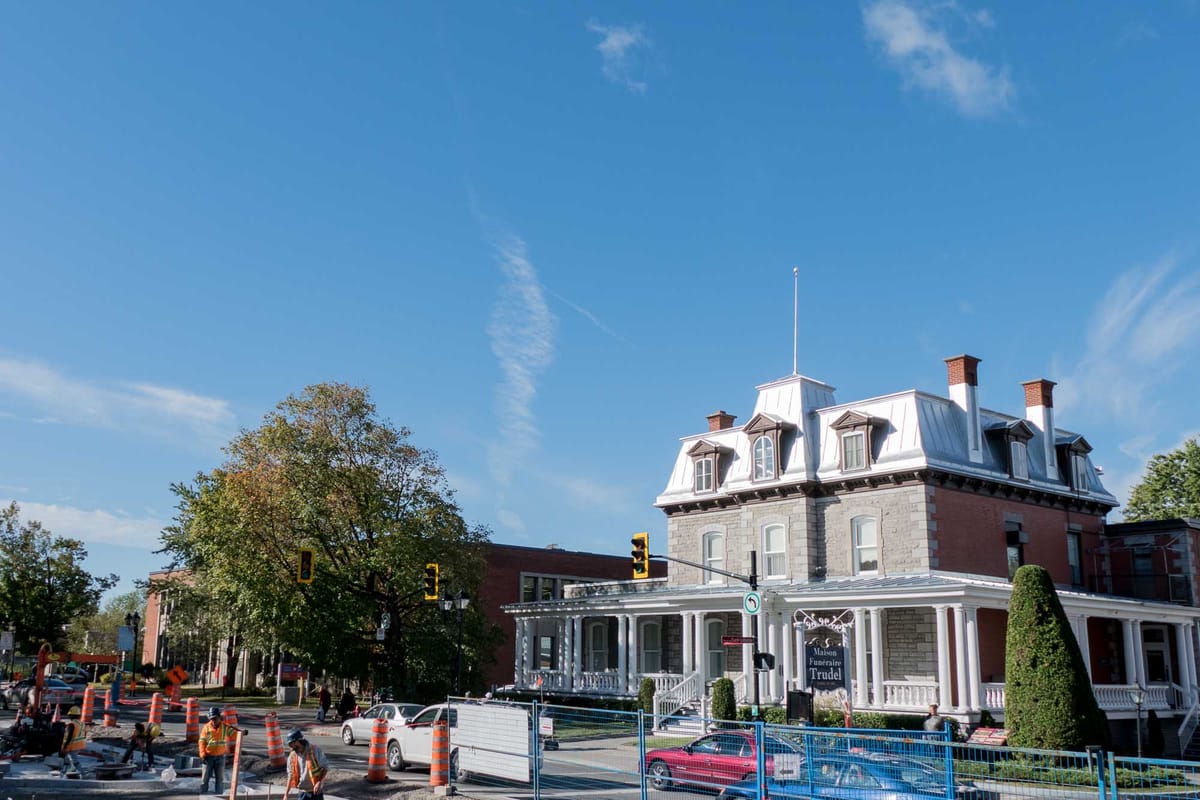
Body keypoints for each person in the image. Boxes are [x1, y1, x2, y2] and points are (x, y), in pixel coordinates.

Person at [283, 728, 328, 800]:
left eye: (291, 744)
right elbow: (290, 775)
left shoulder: (314, 750)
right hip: (302, 793)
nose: (290, 746)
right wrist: (286, 795)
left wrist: (319, 782)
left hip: (316, 792)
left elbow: (325, 767)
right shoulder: (292, 756)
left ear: (297, 741)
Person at [199, 706, 234, 794]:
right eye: (211, 719)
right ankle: (203, 795)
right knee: (205, 779)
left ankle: (219, 795)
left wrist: (242, 733)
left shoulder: (225, 727)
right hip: (208, 757)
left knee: (220, 779)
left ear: (219, 717)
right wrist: (202, 754)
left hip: (220, 757)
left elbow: (235, 734)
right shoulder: (206, 727)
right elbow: (202, 742)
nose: (213, 720)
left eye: (215, 718)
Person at [60, 706, 86, 776]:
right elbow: (84, 734)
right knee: (66, 760)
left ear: (71, 715)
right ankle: (62, 773)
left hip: (72, 746)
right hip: (80, 745)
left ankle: (82, 773)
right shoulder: (82, 723)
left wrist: (65, 746)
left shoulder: (71, 724)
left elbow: (69, 737)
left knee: (74, 760)